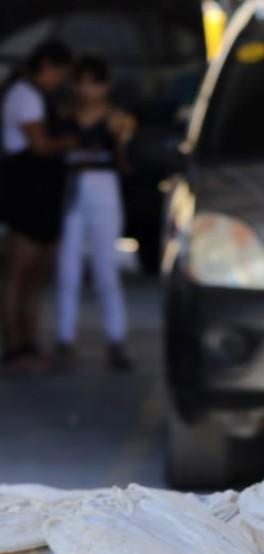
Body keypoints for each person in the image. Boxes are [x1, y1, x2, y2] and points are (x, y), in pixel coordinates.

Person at [54, 55, 135, 372]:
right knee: (67, 266)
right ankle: (64, 336)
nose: (89, 89)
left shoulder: (116, 119)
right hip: (73, 186)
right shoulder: (65, 115)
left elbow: (127, 161)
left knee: (106, 267)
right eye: (83, 82)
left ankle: (116, 337)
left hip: (103, 185)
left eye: (94, 82)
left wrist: (123, 139)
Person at [0, 39, 74, 372]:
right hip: (27, 193)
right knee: (17, 274)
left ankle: (29, 343)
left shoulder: (42, 97)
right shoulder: (24, 96)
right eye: (59, 72)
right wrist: (75, 139)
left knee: (35, 276)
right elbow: (40, 145)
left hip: (44, 194)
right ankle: (15, 348)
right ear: (46, 66)